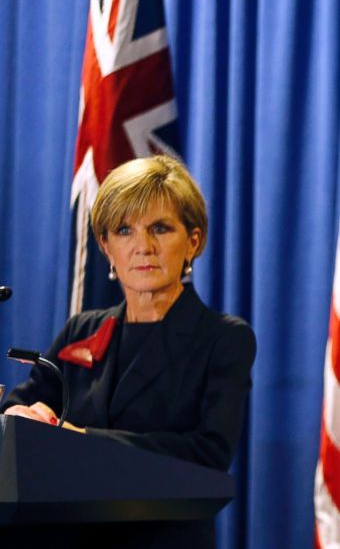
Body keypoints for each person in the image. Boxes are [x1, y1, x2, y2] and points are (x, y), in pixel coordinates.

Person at [2, 155, 255, 544]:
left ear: (193, 241)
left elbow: (207, 453)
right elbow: (19, 416)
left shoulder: (223, 339)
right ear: (105, 246)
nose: (143, 246)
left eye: (160, 228)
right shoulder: (81, 330)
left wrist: (78, 437)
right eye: (124, 230)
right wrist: (20, 416)